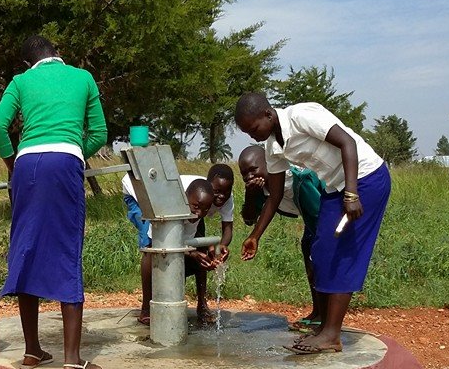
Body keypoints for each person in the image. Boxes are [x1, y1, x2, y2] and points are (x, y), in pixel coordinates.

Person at [234, 93, 391, 354]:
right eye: (247, 133)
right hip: (335, 186)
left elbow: (348, 142)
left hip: (365, 178)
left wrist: (352, 194)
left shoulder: (302, 116)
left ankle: (331, 334)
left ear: (268, 115)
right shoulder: (273, 147)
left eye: (253, 128)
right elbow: (274, 196)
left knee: (343, 253)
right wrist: (255, 236)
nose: (253, 135)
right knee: (321, 252)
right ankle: (325, 328)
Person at [0, 35, 107, 369]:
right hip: (65, 162)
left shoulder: (21, 81)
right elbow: (99, 133)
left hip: (26, 165)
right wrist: (74, 150)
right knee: (66, 250)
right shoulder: (83, 77)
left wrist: (12, 163)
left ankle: (31, 351)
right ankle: (72, 360)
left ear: (28, 63)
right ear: (59, 54)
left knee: (26, 248)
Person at [238, 145, 325, 332]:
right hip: (312, 219)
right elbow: (249, 218)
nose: (249, 177)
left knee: (318, 259)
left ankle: (325, 318)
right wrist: (250, 194)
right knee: (309, 253)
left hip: (329, 213)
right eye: (244, 174)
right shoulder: (260, 188)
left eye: (253, 170)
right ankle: (317, 312)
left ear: (270, 164)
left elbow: (321, 215)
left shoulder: (298, 179)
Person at [129, 177, 218, 325]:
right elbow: (161, 242)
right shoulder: (167, 209)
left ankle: (202, 306)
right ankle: (146, 308)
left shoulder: (197, 210)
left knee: (202, 257)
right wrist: (191, 253)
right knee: (149, 254)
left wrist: (201, 254)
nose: (199, 213)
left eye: (206, 209)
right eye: (196, 206)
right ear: (184, 198)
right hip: (139, 193)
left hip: (180, 236)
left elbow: (184, 240)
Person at [120, 163, 235, 257]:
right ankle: (151, 276)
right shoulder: (186, 193)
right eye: (216, 192)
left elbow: (227, 228)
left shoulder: (222, 197)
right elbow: (163, 231)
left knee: (193, 242)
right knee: (151, 241)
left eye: (226, 192)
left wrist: (220, 246)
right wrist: (190, 253)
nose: (222, 196)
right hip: (138, 188)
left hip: (174, 203)